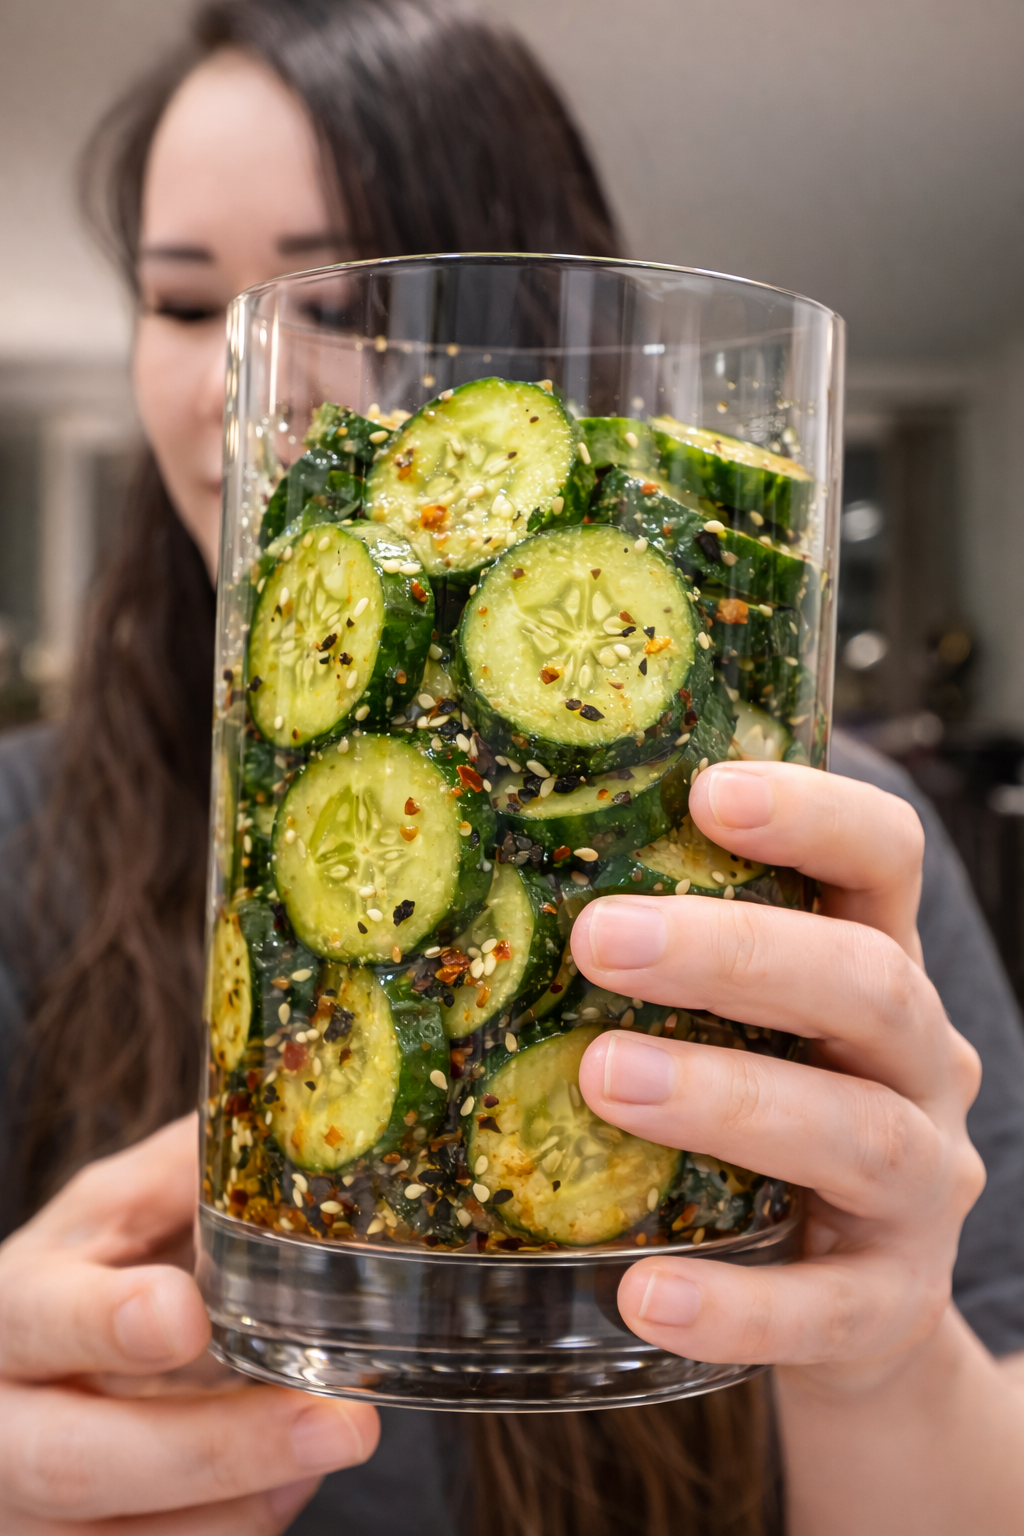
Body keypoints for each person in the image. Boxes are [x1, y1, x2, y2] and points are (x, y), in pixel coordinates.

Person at [1, 2, 1023, 1533]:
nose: (247, 385)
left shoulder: (836, 849)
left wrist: (882, 1366)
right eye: (181, 302)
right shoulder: (17, 836)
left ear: (552, 346)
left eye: (354, 293)